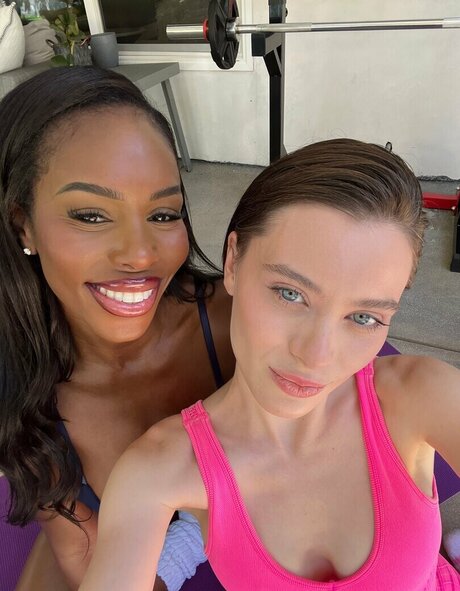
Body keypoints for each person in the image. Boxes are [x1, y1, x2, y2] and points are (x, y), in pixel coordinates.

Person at [79, 138, 460, 591]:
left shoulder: (423, 395)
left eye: (364, 318)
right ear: (233, 262)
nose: (316, 355)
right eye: (290, 293)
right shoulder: (156, 470)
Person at [0, 66, 235, 591]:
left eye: (164, 214)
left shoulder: (239, 324)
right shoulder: (20, 385)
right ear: (23, 225)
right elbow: (86, 557)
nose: (140, 255)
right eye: (90, 215)